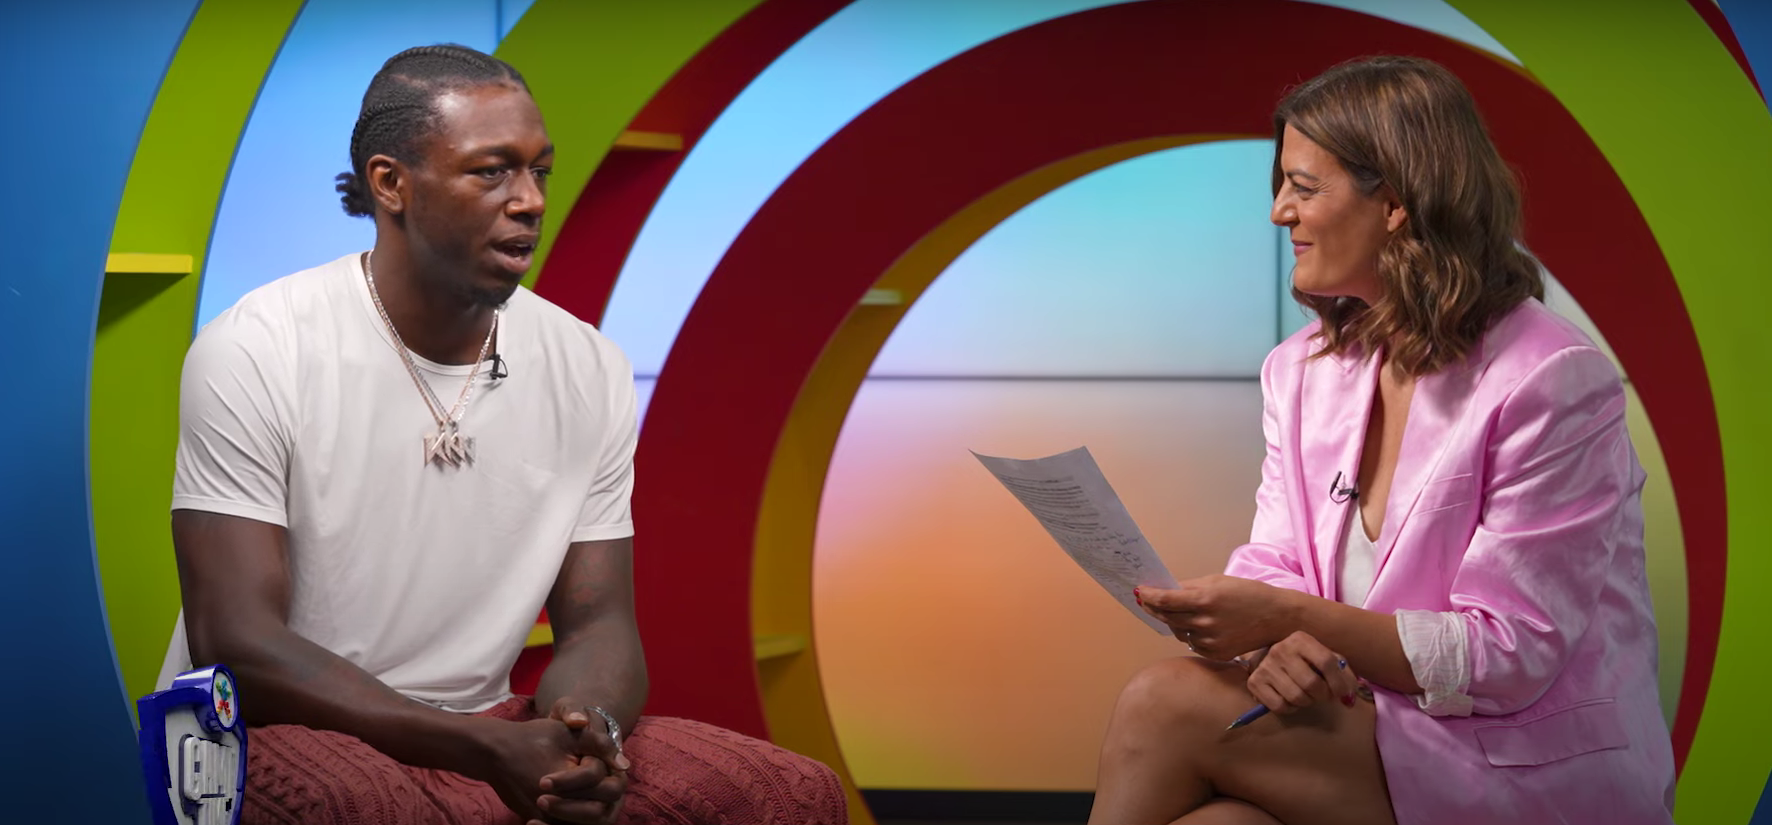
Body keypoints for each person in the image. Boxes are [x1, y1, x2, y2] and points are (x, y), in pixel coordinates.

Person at [158, 44, 847, 825]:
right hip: (259, 726)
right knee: (356, 808)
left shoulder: (587, 363)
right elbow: (237, 641)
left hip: (489, 724)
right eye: (492, 172)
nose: (530, 200)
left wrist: (586, 734)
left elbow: (599, 622)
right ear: (391, 184)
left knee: (789, 794)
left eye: (539, 171)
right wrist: (479, 749)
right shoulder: (258, 346)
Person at [1086, 56, 1676, 825]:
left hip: (1523, 764)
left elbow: (1510, 653)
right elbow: (1277, 563)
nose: (1279, 212)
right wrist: (1275, 646)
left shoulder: (1552, 377)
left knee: (1164, 701)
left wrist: (1289, 619)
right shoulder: (1299, 371)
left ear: (1395, 202)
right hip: (1376, 725)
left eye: (1303, 187)